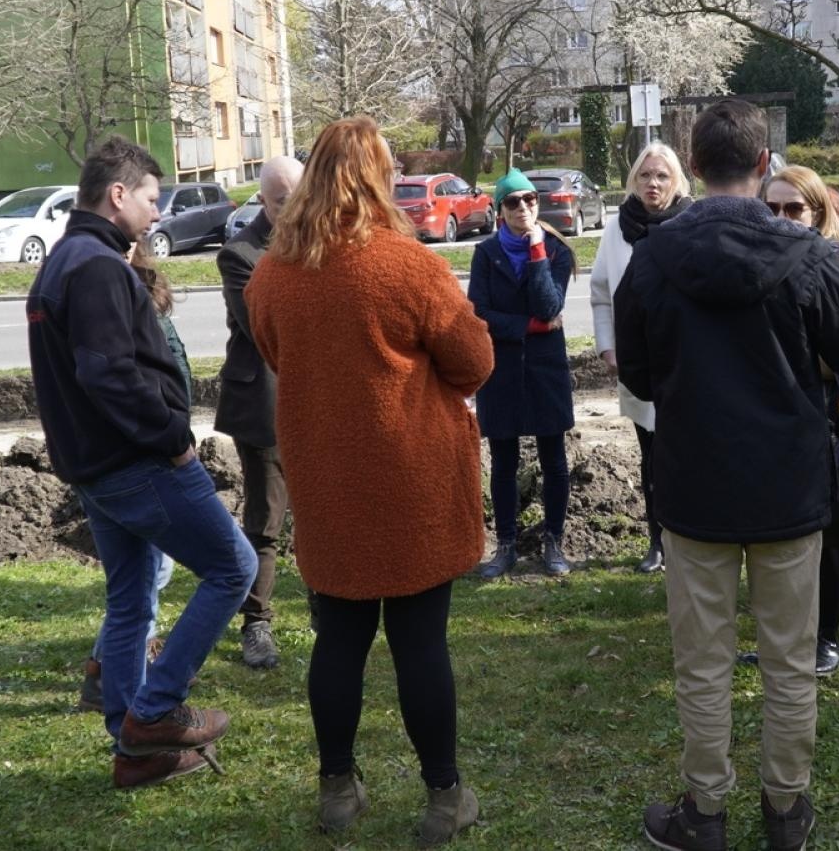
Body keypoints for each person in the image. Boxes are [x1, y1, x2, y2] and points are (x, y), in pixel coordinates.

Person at [615, 99, 839, 851]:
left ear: (695, 165)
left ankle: (706, 809)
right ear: (764, 165)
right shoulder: (803, 252)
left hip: (696, 484)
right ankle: (785, 807)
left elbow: (637, 371)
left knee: (703, 661)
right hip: (786, 487)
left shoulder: (655, 256)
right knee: (790, 659)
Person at [248, 117, 494, 844]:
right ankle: (444, 797)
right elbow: (474, 361)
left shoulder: (271, 276)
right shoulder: (408, 265)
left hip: (327, 483)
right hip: (412, 484)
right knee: (420, 646)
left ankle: (337, 791)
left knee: (338, 642)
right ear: (378, 178)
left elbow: (277, 355)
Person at [27, 137, 256, 790]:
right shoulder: (97, 266)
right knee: (234, 567)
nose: (157, 213)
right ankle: (154, 713)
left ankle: (132, 750)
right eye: (152, 199)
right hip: (137, 461)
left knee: (131, 598)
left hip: (95, 467)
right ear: (118, 194)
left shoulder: (63, 258)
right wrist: (172, 437)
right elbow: (107, 373)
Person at [763, 166, 839, 678]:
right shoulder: (763, 262)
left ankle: (826, 637)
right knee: (787, 536)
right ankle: (791, 636)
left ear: (818, 212)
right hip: (782, 415)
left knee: (829, 535)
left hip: (834, 414)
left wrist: (785, 355)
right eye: (771, 208)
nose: (782, 217)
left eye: (794, 208)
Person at [77, 245, 191, 710]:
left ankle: (107, 669)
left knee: (147, 573)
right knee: (153, 573)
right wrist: (168, 439)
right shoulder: (98, 297)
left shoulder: (142, 289)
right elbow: (120, 384)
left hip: (156, 444)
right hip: (137, 455)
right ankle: (114, 673)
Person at [214, 154, 304, 669]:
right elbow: (266, 330)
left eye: (301, 198)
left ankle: (328, 607)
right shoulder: (240, 254)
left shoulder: (318, 240)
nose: (294, 210)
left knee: (319, 512)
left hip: (315, 400)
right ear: (263, 201)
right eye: (282, 202)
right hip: (264, 403)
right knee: (266, 518)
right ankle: (257, 623)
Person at [589, 141, 693, 573]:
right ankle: (657, 541)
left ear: (677, 181)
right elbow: (600, 292)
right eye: (646, 175)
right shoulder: (618, 226)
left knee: (686, 455)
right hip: (637, 361)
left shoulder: (690, 222)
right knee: (650, 455)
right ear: (634, 179)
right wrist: (608, 346)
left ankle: (690, 538)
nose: (653, 183)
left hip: (684, 362)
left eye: (662, 176)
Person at [469, 168, 577, 579]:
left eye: (530, 199)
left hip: (546, 368)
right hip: (501, 370)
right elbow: (479, 313)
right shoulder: (485, 254)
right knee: (503, 462)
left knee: (554, 459)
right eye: (513, 202)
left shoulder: (556, 250)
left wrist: (536, 251)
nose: (523, 208)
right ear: (500, 210)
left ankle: (554, 542)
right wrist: (528, 326)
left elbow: (550, 306)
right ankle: (506, 545)